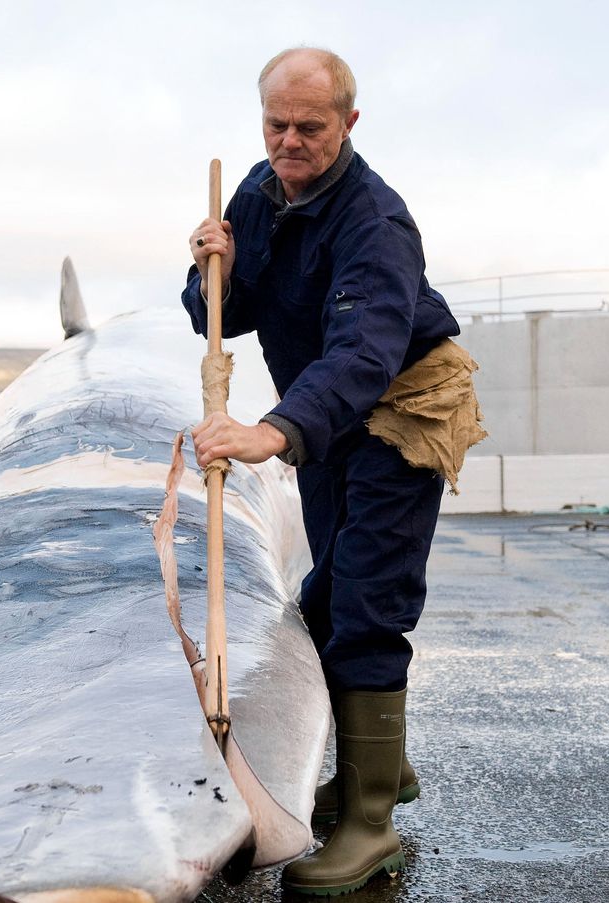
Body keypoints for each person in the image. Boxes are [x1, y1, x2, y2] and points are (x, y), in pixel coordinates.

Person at [183, 48, 481, 895]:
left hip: (399, 405)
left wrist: (272, 432)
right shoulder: (257, 188)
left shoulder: (374, 222)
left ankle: (370, 824)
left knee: (366, 604)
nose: (289, 142)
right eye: (275, 124)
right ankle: (378, 771)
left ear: (349, 123)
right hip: (326, 414)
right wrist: (214, 267)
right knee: (320, 600)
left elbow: (366, 351)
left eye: (309, 127)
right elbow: (224, 316)